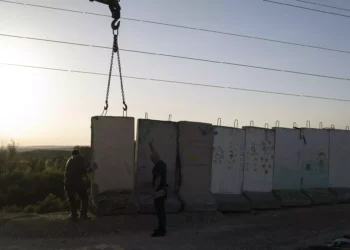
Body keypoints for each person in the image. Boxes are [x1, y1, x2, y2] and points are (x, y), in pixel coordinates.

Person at [64, 149, 91, 221]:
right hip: (78, 182)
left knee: (71, 199)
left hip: (68, 183)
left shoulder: (69, 160)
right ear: (78, 154)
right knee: (84, 198)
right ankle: (83, 215)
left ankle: (74, 215)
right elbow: (83, 171)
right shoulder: (79, 159)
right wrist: (91, 168)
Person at [149, 141, 167, 237]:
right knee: (160, 211)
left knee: (159, 211)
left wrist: (154, 191)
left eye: (152, 160)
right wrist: (152, 147)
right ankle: (161, 227)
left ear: (154, 159)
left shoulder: (157, 167)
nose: (152, 161)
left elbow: (158, 180)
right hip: (163, 191)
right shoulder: (162, 163)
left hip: (159, 192)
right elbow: (156, 154)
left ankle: (162, 230)